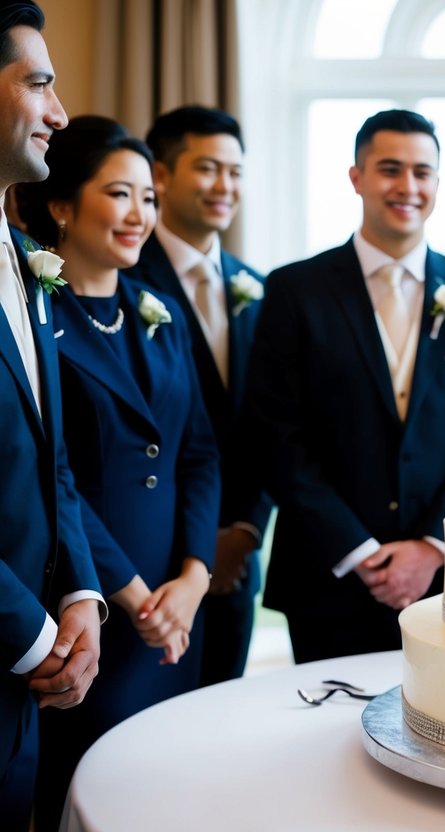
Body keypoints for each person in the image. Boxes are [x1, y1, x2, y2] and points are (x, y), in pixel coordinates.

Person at [244, 109, 445, 662]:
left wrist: (428, 548)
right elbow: (274, 435)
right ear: (357, 178)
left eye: (423, 172)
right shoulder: (294, 290)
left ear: (437, 183)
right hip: (327, 572)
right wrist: (359, 550)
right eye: (390, 169)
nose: (407, 187)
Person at [17, 115, 221, 831]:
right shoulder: (35, 318)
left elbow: (197, 451)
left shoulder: (156, 312)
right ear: (63, 205)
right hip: (95, 604)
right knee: (87, 794)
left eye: (147, 197)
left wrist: (193, 578)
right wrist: (133, 596)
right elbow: (56, 474)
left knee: (165, 790)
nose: (140, 215)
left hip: (174, 608)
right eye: (119, 194)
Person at [0, 3, 104, 827]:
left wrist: (79, 596)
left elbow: (51, 459)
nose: (59, 114)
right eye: (39, 83)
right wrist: (34, 640)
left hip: (25, 678)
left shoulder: (24, 260)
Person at [124, 105, 269, 686]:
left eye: (235, 172)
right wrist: (196, 546)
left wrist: (245, 532)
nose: (224, 186)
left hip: (236, 562)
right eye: (208, 168)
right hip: (153, 562)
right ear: (160, 176)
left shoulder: (255, 285)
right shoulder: (124, 275)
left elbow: (271, 423)